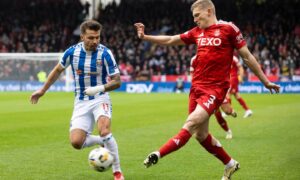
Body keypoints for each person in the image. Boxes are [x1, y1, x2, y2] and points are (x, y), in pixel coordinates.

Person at [134, 1, 280, 180]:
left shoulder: (229, 29)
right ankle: (230, 164)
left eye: (197, 15)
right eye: (193, 16)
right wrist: (146, 37)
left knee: (190, 123)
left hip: (215, 89)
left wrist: (266, 81)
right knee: (200, 135)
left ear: (209, 11)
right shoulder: (197, 32)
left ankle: (158, 154)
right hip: (195, 89)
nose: (195, 20)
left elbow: (247, 56)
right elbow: (172, 39)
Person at [30, 20, 124, 180]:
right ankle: (103, 141)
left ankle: (117, 172)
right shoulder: (72, 52)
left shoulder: (105, 53)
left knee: (105, 130)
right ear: (82, 37)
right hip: (81, 101)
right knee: (76, 142)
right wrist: (42, 90)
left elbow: (117, 81)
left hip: (100, 98)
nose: (95, 41)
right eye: (91, 38)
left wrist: (98, 88)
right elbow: (57, 70)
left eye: (97, 37)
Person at [191, 55, 235, 139]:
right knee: (217, 115)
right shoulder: (194, 59)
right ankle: (228, 131)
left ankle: (231, 111)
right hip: (206, 91)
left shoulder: (214, 56)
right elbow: (192, 76)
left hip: (218, 88)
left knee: (227, 111)